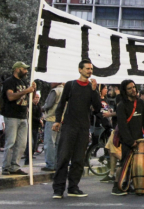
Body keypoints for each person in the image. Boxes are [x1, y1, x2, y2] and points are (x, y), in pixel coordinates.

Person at [52, 60, 102, 198]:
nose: (90, 71)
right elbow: (61, 104)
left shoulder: (92, 88)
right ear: (80, 70)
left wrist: (94, 91)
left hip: (83, 128)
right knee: (63, 157)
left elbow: (97, 108)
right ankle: (58, 189)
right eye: (87, 68)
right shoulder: (70, 85)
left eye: (91, 69)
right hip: (69, 126)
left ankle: (73, 187)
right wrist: (57, 121)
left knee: (79, 159)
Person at [112, 79, 144, 196]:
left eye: (134, 87)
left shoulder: (140, 103)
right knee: (124, 162)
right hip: (127, 140)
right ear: (125, 91)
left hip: (139, 140)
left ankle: (127, 185)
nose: (133, 90)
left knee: (134, 164)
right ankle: (116, 186)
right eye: (129, 88)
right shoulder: (121, 106)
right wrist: (129, 141)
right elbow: (123, 126)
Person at [1, 62, 36, 176]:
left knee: (21, 143)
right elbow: (10, 97)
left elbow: (29, 97)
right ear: (17, 69)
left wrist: (33, 89)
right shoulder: (9, 82)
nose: (26, 71)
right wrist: (26, 90)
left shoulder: (23, 82)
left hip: (22, 116)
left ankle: (15, 166)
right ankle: (6, 167)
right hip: (12, 115)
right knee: (11, 142)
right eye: (24, 69)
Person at [42, 83, 65, 172]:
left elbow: (49, 104)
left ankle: (50, 164)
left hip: (52, 119)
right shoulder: (65, 90)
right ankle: (56, 163)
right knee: (57, 144)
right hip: (61, 120)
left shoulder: (55, 91)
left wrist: (42, 108)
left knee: (50, 142)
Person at [24, 92, 43, 166]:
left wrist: (41, 119)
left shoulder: (38, 106)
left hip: (36, 127)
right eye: (36, 98)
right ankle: (27, 160)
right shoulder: (29, 106)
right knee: (30, 143)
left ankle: (30, 157)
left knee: (34, 144)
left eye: (38, 98)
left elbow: (40, 114)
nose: (37, 100)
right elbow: (30, 116)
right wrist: (39, 120)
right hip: (30, 126)